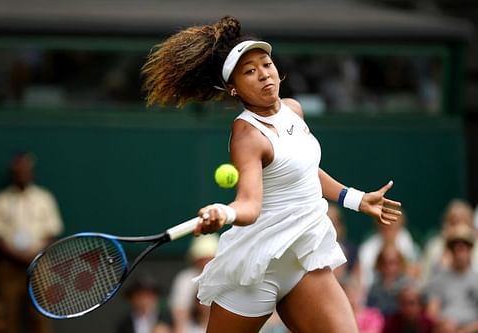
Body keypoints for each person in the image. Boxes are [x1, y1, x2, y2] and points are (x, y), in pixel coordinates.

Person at [141, 16, 402, 333]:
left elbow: (303, 171)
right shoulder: (247, 135)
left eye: (266, 64)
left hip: (303, 258)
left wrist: (355, 199)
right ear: (234, 89)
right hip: (257, 269)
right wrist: (222, 213)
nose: (264, 74)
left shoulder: (293, 108)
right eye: (250, 72)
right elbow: (249, 204)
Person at [0, 152, 64, 333]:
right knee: (7, 314)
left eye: (25, 170)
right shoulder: (1, 200)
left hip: (39, 265)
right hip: (9, 265)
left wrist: (34, 255)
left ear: (31, 172)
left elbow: (52, 231)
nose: (22, 174)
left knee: (41, 315)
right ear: (13, 173)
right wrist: (16, 255)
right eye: (18, 171)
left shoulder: (44, 198)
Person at [424, 223, 478, 333]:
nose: (460, 251)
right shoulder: (439, 279)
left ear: (470, 249)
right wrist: (443, 323)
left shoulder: (476, 279)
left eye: (464, 246)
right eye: (456, 246)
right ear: (450, 250)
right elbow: (432, 311)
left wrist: (464, 331)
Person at [419, 198, 477, 285]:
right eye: (454, 222)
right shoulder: (434, 247)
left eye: (463, 222)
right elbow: (424, 282)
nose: (458, 228)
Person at [168, 234, 219, 333]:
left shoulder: (227, 278)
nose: (206, 263)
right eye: (202, 259)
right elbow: (179, 316)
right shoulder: (185, 279)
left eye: (210, 258)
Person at [358, 211, 419, 289]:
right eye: (385, 227)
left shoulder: (407, 241)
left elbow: (414, 274)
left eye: (394, 227)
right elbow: (363, 281)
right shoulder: (367, 249)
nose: (389, 231)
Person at [366, 243, 412, 317]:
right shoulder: (374, 289)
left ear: (400, 263)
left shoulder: (408, 286)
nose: (388, 267)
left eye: (392, 262)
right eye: (384, 263)